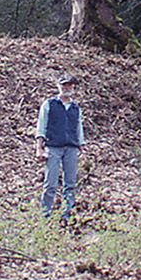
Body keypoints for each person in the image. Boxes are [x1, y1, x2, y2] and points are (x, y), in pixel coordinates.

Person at [35, 73, 84, 222]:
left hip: (71, 148)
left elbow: (79, 128)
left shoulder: (76, 108)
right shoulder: (49, 104)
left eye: (69, 85)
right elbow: (41, 126)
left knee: (70, 184)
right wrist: (39, 148)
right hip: (53, 147)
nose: (67, 88)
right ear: (58, 86)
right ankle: (46, 216)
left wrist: (82, 148)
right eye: (64, 85)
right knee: (50, 183)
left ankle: (66, 216)